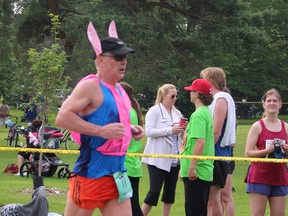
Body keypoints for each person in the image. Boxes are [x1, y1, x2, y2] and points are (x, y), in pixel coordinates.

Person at [55, 21, 144, 216]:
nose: (124, 61)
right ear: (101, 60)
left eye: (126, 57)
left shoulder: (119, 90)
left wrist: (129, 131)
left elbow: (109, 121)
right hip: (91, 172)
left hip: (118, 172)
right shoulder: (90, 86)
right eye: (119, 57)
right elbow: (62, 118)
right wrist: (101, 131)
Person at [141, 84, 186, 216]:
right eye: (172, 96)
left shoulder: (177, 113)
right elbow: (148, 132)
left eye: (176, 96)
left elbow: (181, 135)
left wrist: (183, 129)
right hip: (157, 158)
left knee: (170, 192)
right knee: (154, 191)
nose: (175, 99)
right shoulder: (153, 111)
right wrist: (170, 130)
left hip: (174, 158)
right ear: (163, 96)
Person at [244, 88, 288, 216]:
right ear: (264, 104)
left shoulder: (286, 127)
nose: (272, 103)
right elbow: (248, 153)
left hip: (280, 177)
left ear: (280, 104)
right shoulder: (257, 126)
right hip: (259, 177)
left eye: (275, 100)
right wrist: (268, 150)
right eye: (269, 101)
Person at [200, 67, 236, 216]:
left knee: (213, 199)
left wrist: (204, 152)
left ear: (210, 80)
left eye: (204, 79)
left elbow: (216, 131)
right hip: (215, 154)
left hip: (217, 154)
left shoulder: (221, 99)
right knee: (211, 199)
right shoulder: (215, 99)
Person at [180, 78, 214, 216]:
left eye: (192, 91)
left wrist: (192, 167)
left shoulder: (198, 115)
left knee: (194, 211)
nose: (190, 93)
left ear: (198, 94)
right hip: (199, 170)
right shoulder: (205, 112)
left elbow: (200, 142)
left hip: (197, 171)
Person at [120, 82, 144, 216]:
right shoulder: (131, 111)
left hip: (126, 165)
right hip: (132, 165)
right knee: (130, 206)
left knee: (131, 206)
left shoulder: (127, 112)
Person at [220, 87, 236, 216]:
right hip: (221, 158)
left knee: (226, 196)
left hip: (226, 158)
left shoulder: (229, 119)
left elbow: (233, 143)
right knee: (216, 197)